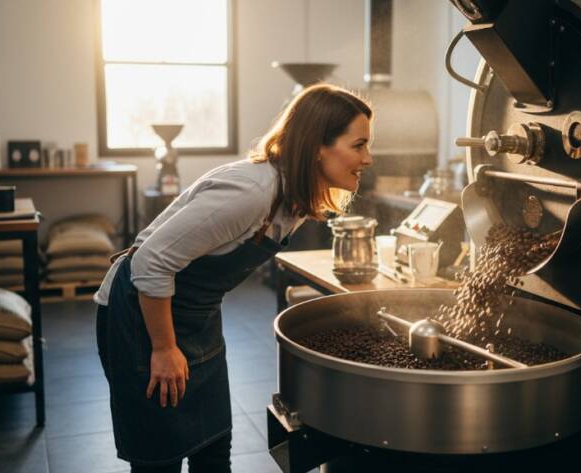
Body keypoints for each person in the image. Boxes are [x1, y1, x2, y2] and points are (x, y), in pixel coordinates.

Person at [93, 83, 373, 473]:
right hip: (143, 317)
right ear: (316, 148)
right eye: (358, 145)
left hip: (197, 316)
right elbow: (151, 263)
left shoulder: (295, 198)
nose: (368, 158)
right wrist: (163, 348)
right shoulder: (253, 191)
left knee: (212, 449)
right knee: (160, 460)